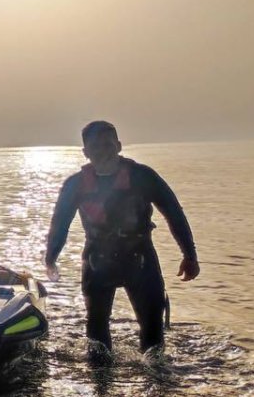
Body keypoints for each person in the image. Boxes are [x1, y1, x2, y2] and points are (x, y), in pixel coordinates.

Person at [44, 121, 199, 355]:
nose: (103, 152)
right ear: (86, 153)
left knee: (153, 334)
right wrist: (51, 258)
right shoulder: (75, 185)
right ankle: (101, 383)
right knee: (96, 336)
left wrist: (189, 255)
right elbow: (60, 224)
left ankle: (157, 382)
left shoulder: (143, 177)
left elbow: (174, 214)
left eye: (108, 145)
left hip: (140, 259)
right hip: (97, 262)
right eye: (95, 147)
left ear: (119, 146)